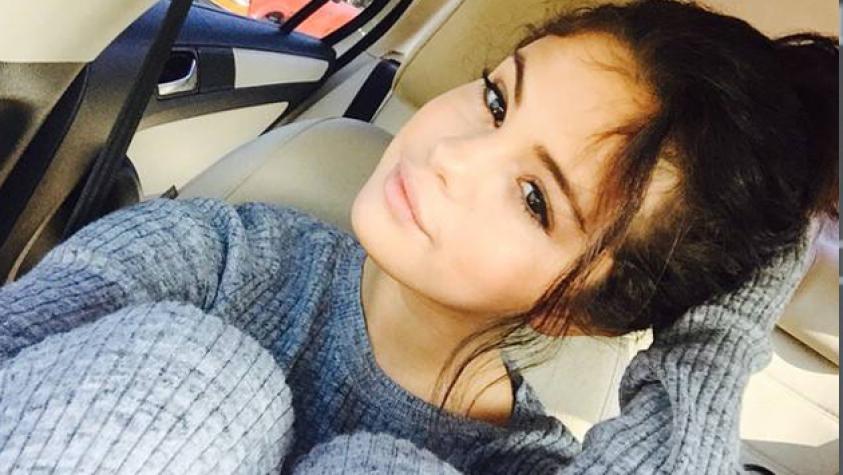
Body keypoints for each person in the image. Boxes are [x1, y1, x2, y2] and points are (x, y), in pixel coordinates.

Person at [0, 0, 836, 473]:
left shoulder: (519, 462)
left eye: (535, 198)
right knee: (201, 375)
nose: (452, 156)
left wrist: (720, 328)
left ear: (578, 308)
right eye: (497, 100)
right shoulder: (216, 255)